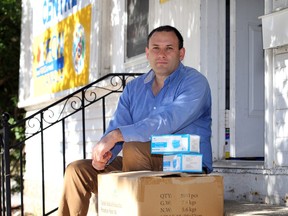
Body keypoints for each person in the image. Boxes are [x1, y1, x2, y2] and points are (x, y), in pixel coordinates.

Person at [57, 25, 212, 216]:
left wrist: (117, 136)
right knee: (77, 171)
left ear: (181, 53)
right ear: (147, 53)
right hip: (139, 159)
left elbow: (168, 120)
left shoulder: (195, 82)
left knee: (134, 145)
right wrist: (105, 154)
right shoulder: (134, 88)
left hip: (186, 159)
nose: (161, 54)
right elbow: (118, 126)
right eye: (156, 48)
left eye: (169, 48)